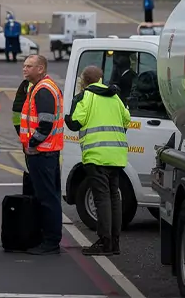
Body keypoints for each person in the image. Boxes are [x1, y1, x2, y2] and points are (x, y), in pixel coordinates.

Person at [65, 66, 130, 256]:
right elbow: (126, 120)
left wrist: (68, 116)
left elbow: (75, 122)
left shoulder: (86, 96)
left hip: (96, 154)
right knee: (114, 197)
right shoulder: (114, 96)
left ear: (85, 80)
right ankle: (115, 243)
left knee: (102, 198)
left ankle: (105, 242)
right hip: (116, 154)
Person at [18, 54, 65, 255]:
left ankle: (51, 241)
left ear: (40, 69)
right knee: (49, 197)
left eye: (29, 66)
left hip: (42, 152)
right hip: (46, 152)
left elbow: (45, 123)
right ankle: (49, 238)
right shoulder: (39, 87)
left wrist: (32, 143)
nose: (24, 68)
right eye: (24, 65)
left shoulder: (43, 90)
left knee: (47, 199)